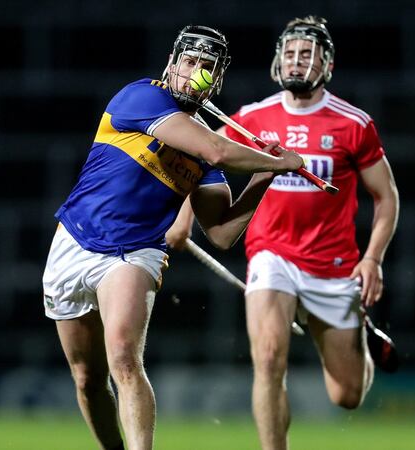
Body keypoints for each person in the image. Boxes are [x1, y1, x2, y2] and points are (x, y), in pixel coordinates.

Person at [42, 25, 304, 450]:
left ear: (216, 79)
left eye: (207, 66)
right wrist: (283, 161)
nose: (195, 72)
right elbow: (217, 151)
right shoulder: (142, 97)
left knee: (124, 359)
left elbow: (220, 233)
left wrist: (263, 176)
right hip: (75, 239)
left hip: (134, 253)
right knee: (88, 378)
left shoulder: (206, 150)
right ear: (173, 63)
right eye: (190, 61)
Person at [166, 16, 399, 450]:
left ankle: (356, 329)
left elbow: (386, 197)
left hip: (333, 265)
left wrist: (372, 259)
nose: (297, 61)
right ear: (278, 61)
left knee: (346, 395)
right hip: (272, 256)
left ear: (326, 64)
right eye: (290, 53)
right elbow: (201, 157)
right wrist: (182, 219)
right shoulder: (253, 117)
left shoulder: (353, 123)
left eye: (307, 54)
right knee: (269, 359)